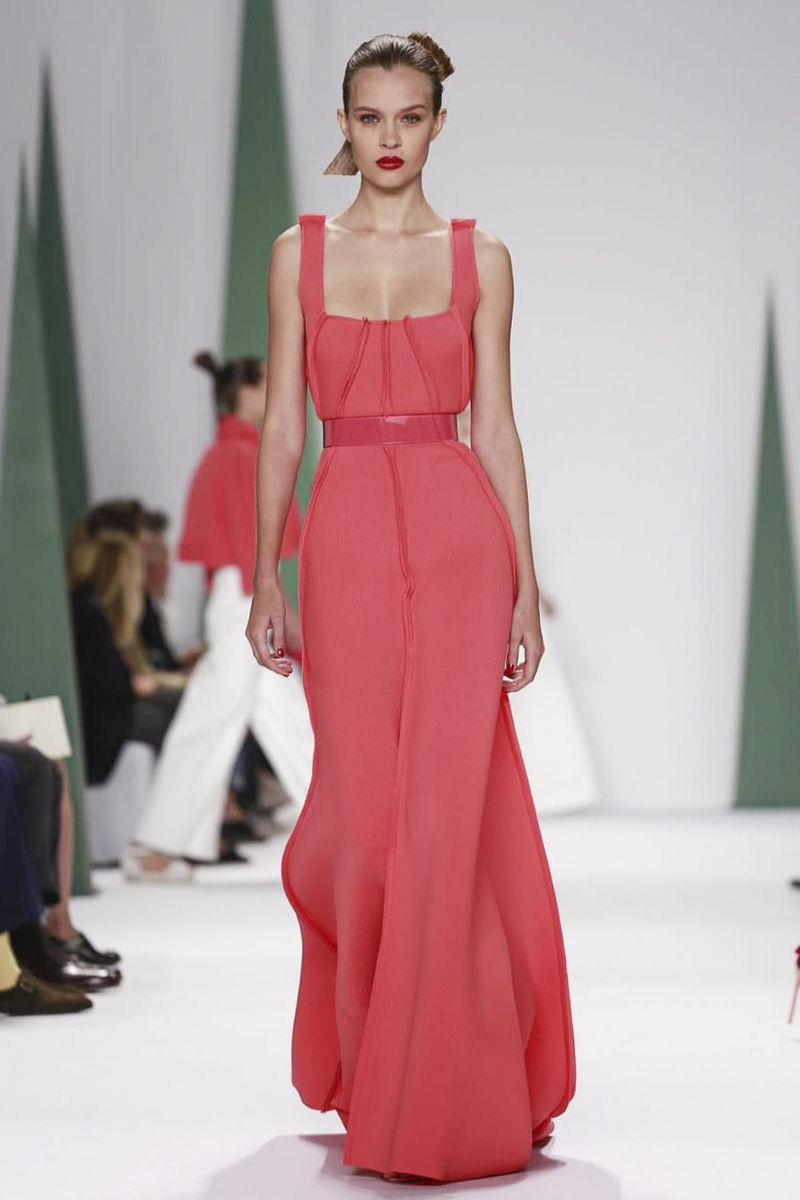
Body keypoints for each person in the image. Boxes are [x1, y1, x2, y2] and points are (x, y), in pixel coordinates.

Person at [245, 30, 577, 1185]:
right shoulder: (296, 255)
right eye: (369, 116)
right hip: (338, 540)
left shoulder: (482, 257)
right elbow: (280, 426)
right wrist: (264, 572)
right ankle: (379, 1064)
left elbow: (497, 428)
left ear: (437, 124)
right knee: (367, 822)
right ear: (343, 124)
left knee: (444, 820)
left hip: (455, 541)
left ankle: (440, 1093)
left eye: (409, 116)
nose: (389, 137)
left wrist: (522, 582)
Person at [122, 352, 313, 880]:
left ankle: (351, 830)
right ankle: (354, 831)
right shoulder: (239, 457)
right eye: (269, 382)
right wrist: (279, 610)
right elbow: (252, 547)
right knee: (231, 719)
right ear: (246, 390)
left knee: (268, 719)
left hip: (239, 597)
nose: (280, 389)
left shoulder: (229, 453)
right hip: (245, 598)